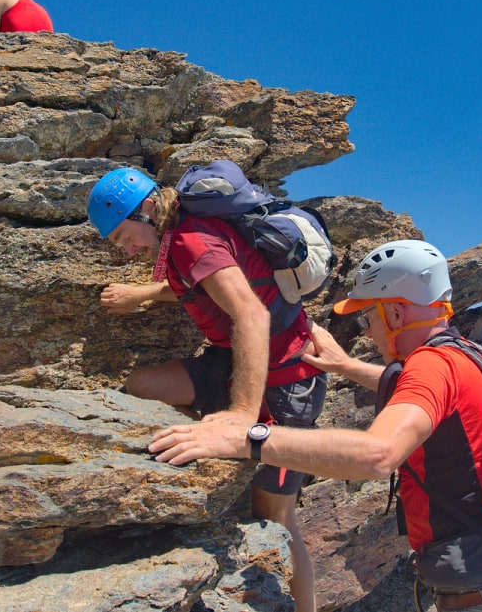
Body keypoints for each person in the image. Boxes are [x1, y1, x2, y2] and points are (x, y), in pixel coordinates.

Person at [149, 239, 482, 612]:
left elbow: (377, 456)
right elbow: (423, 396)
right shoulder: (468, 354)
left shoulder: (431, 367)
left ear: (395, 312)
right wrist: (346, 366)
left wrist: (249, 437)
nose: (369, 331)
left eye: (367, 320)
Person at [86, 166, 327, 612]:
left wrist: (240, 416)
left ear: (145, 210)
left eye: (124, 236)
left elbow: (251, 315)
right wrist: (141, 295)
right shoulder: (180, 236)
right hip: (228, 362)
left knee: (276, 519)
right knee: (141, 385)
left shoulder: (189, 237)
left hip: (283, 384)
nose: (127, 249)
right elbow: (195, 283)